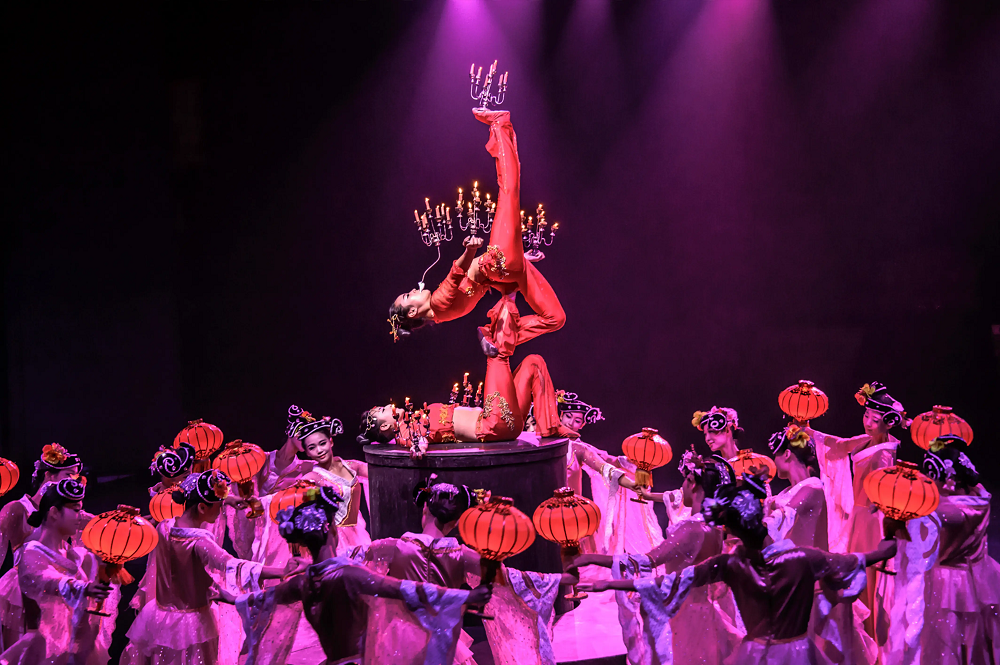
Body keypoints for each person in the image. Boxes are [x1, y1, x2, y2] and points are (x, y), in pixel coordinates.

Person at [578, 475, 900, 665]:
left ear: (731, 530)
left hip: (755, 655)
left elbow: (667, 582)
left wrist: (610, 584)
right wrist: (891, 528)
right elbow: (864, 559)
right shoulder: (804, 558)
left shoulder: (730, 564)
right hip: (800, 654)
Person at [216, 486, 493, 665]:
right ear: (333, 531)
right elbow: (406, 589)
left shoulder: (303, 582)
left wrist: (230, 598)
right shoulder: (351, 576)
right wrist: (466, 597)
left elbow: (266, 597)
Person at [574, 451, 744, 665]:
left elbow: (645, 561)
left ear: (693, 484)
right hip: (708, 614)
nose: (682, 486)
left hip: (685, 618)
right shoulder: (716, 530)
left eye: (686, 480)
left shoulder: (692, 529)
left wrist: (595, 564)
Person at [123, 469, 301, 665]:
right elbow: (235, 566)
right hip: (191, 624)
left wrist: (227, 499)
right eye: (219, 506)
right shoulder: (200, 543)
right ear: (201, 507)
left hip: (160, 617)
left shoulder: (164, 527)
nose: (220, 510)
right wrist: (282, 571)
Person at [805, 381, 906, 639]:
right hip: (860, 517)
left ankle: (870, 633)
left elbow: (885, 490)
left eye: (875, 420)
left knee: (867, 572)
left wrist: (879, 508)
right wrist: (810, 431)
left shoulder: (884, 455)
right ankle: (859, 632)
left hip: (871, 519)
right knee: (857, 569)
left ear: (888, 423)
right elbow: (840, 444)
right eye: (866, 416)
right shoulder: (866, 440)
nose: (868, 423)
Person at [766, 425, 876, 665]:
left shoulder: (812, 487)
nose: (773, 462)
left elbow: (780, 521)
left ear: (787, 454)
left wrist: (762, 514)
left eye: (775, 455)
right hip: (792, 579)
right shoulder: (788, 492)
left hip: (811, 584)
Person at [886, 438, 1000, 664]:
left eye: (932, 478)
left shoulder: (942, 512)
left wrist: (892, 521)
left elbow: (913, 541)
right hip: (980, 576)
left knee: (944, 641)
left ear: (947, 478)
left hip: (947, 582)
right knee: (974, 637)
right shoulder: (980, 497)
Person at [360, 350, 577, 449]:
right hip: (492, 425)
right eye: (383, 410)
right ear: (386, 425)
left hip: (502, 419)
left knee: (533, 362)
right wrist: (418, 449)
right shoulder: (408, 431)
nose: (388, 405)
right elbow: (418, 444)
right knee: (496, 356)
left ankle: (550, 427)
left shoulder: (415, 417)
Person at [0, 478, 112, 665]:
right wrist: (82, 587)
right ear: (53, 512)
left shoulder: (75, 555)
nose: (80, 516)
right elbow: (45, 579)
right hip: (44, 650)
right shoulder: (32, 552)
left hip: (72, 647)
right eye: (75, 510)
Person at [0, 444, 83, 651]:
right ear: (49, 475)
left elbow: (92, 529)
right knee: (23, 649)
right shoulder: (18, 508)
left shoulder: (66, 512)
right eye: (68, 475)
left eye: (76, 477)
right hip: (24, 586)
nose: (73, 481)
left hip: (57, 588)